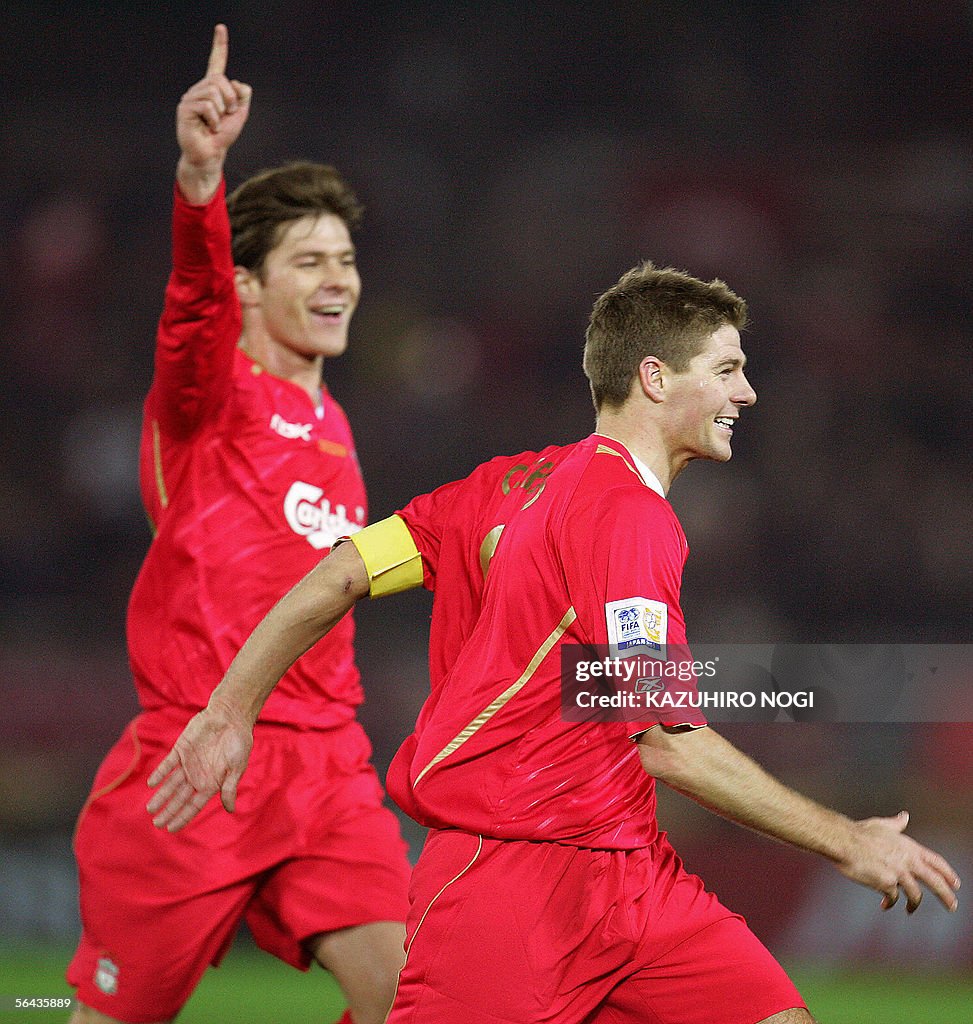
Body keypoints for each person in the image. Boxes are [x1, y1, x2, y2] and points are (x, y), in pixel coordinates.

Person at [147, 262, 961, 1024]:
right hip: (511, 883)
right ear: (653, 377)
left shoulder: (501, 485)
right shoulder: (628, 517)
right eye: (724, 369)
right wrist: (847, 840)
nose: (746, 392)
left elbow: (340, 574)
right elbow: (671, 745)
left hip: (633, 877)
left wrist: (230, 710)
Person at [67, 25, 411, 1024]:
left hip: (327, 770)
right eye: (309, 260)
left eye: (345, 258)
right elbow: (191, 306)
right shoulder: (208, 394)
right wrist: (200, 178)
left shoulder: (335, 420)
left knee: (424, 997)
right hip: (196, 761)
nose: (339, 279)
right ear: (251, 285)